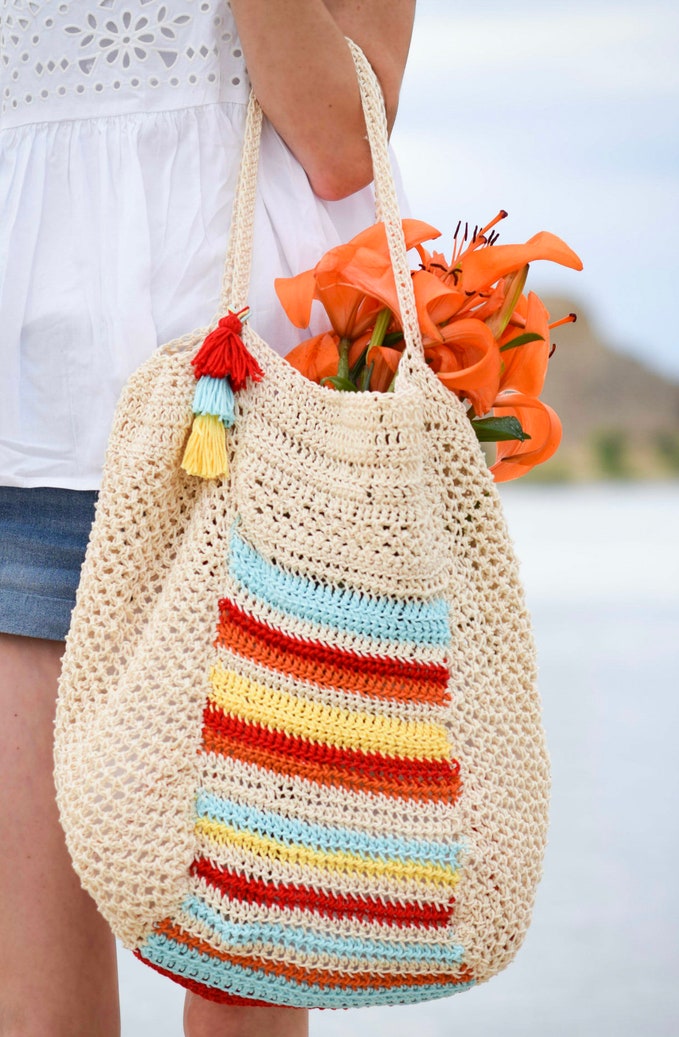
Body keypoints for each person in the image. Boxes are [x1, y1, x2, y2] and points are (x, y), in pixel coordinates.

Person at [0, 2, 416, 1034]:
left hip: (253, 416)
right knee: (31, 996)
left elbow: (338, 142)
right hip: (24, 420)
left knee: (247, 971)